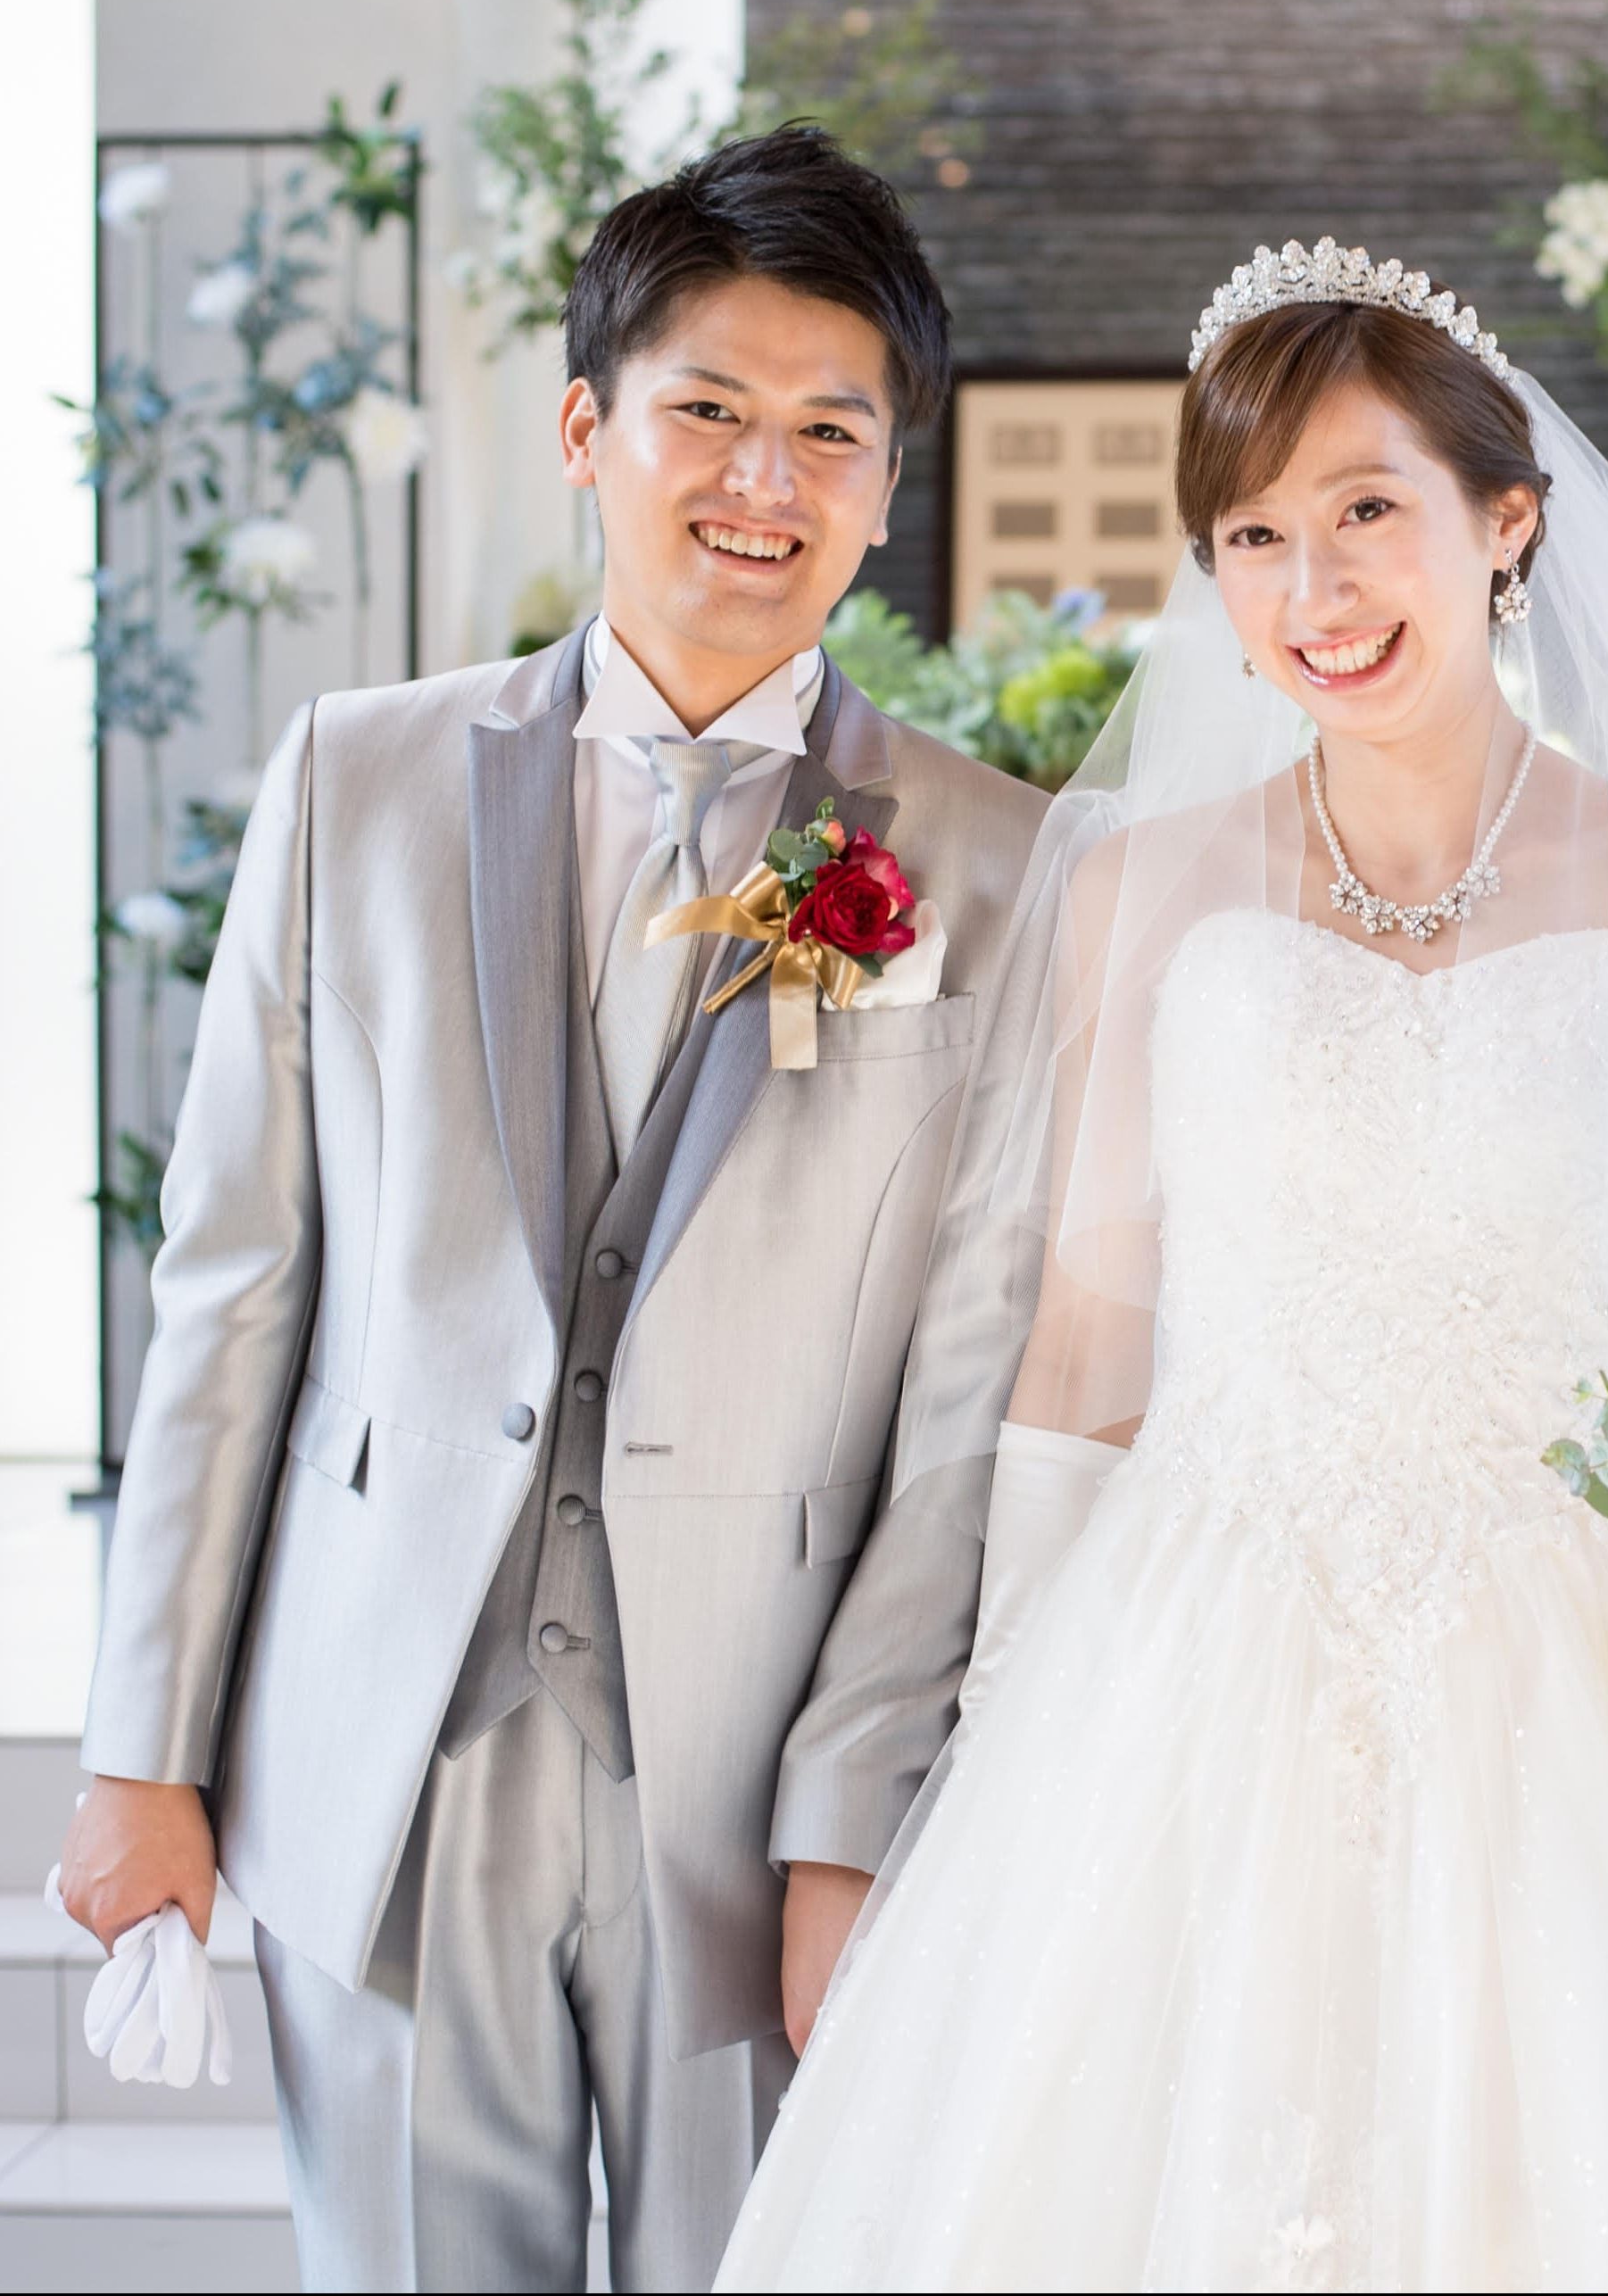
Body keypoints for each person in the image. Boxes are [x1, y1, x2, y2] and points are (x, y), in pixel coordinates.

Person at [716, 242, 1608, 2292]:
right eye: (1252, 535)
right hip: (1207, 1624)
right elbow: (1084, 1338)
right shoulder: (1144, 885)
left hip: (1593, 1663)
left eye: (1366, 508)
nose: (1314, 588)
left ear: (1504, 520)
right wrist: (1006, 1722)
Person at [55, 126, 1047, 2292]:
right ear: (589, 428)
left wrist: (853, 1816)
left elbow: (967, 1403)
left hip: (756, 1779)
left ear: (888, 486)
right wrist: (145, 1749)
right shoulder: (355, 778)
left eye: (828, 432)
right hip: (379, 1756)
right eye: (708, 409)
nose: (761, 481)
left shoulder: (994, 862)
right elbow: (233, 1289)